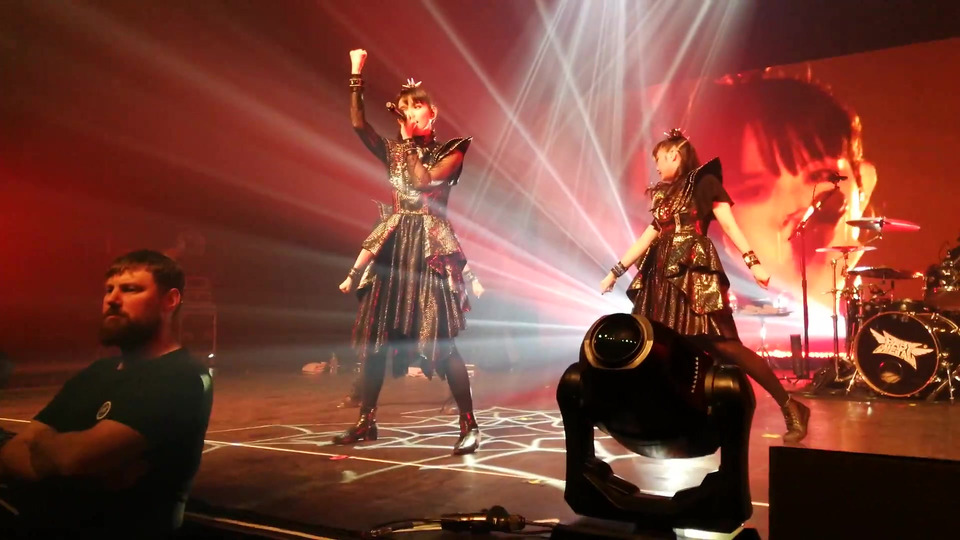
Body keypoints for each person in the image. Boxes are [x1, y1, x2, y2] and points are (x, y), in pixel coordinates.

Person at [602, 130, 810, 442]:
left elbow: (728, 224)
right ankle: (663, 417)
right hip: (661, 275)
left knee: (723, 345)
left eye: (659, 159)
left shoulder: (705, 183)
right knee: (663, 345)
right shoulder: (664, 194)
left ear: (674, 155)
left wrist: (753, 263)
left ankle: (790, 405)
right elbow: (648, 237)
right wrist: (615, 272)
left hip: (693, 270)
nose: (656, 166)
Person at [0, 250, 213, 536]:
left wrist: (45, 447)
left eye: (130, 289)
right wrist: (83, 467)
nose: (112, 299)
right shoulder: (97, 372)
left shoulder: (181, 376)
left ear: (170, 300)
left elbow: (75, 459)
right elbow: (15, 452)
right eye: (108, 289)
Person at [333, 48, 479, 454]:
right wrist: (356, 72)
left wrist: (409, 144)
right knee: (377, 339)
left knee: (442, 342)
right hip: (395, 251)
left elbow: (422, 181)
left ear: (432, 113)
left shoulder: (452, 150)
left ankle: (469, 423)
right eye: (405, 107)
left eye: (417, 106)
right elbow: (358, 123)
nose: (411, 112)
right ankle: (366, 421)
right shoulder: (393, 150)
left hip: (429, 252)